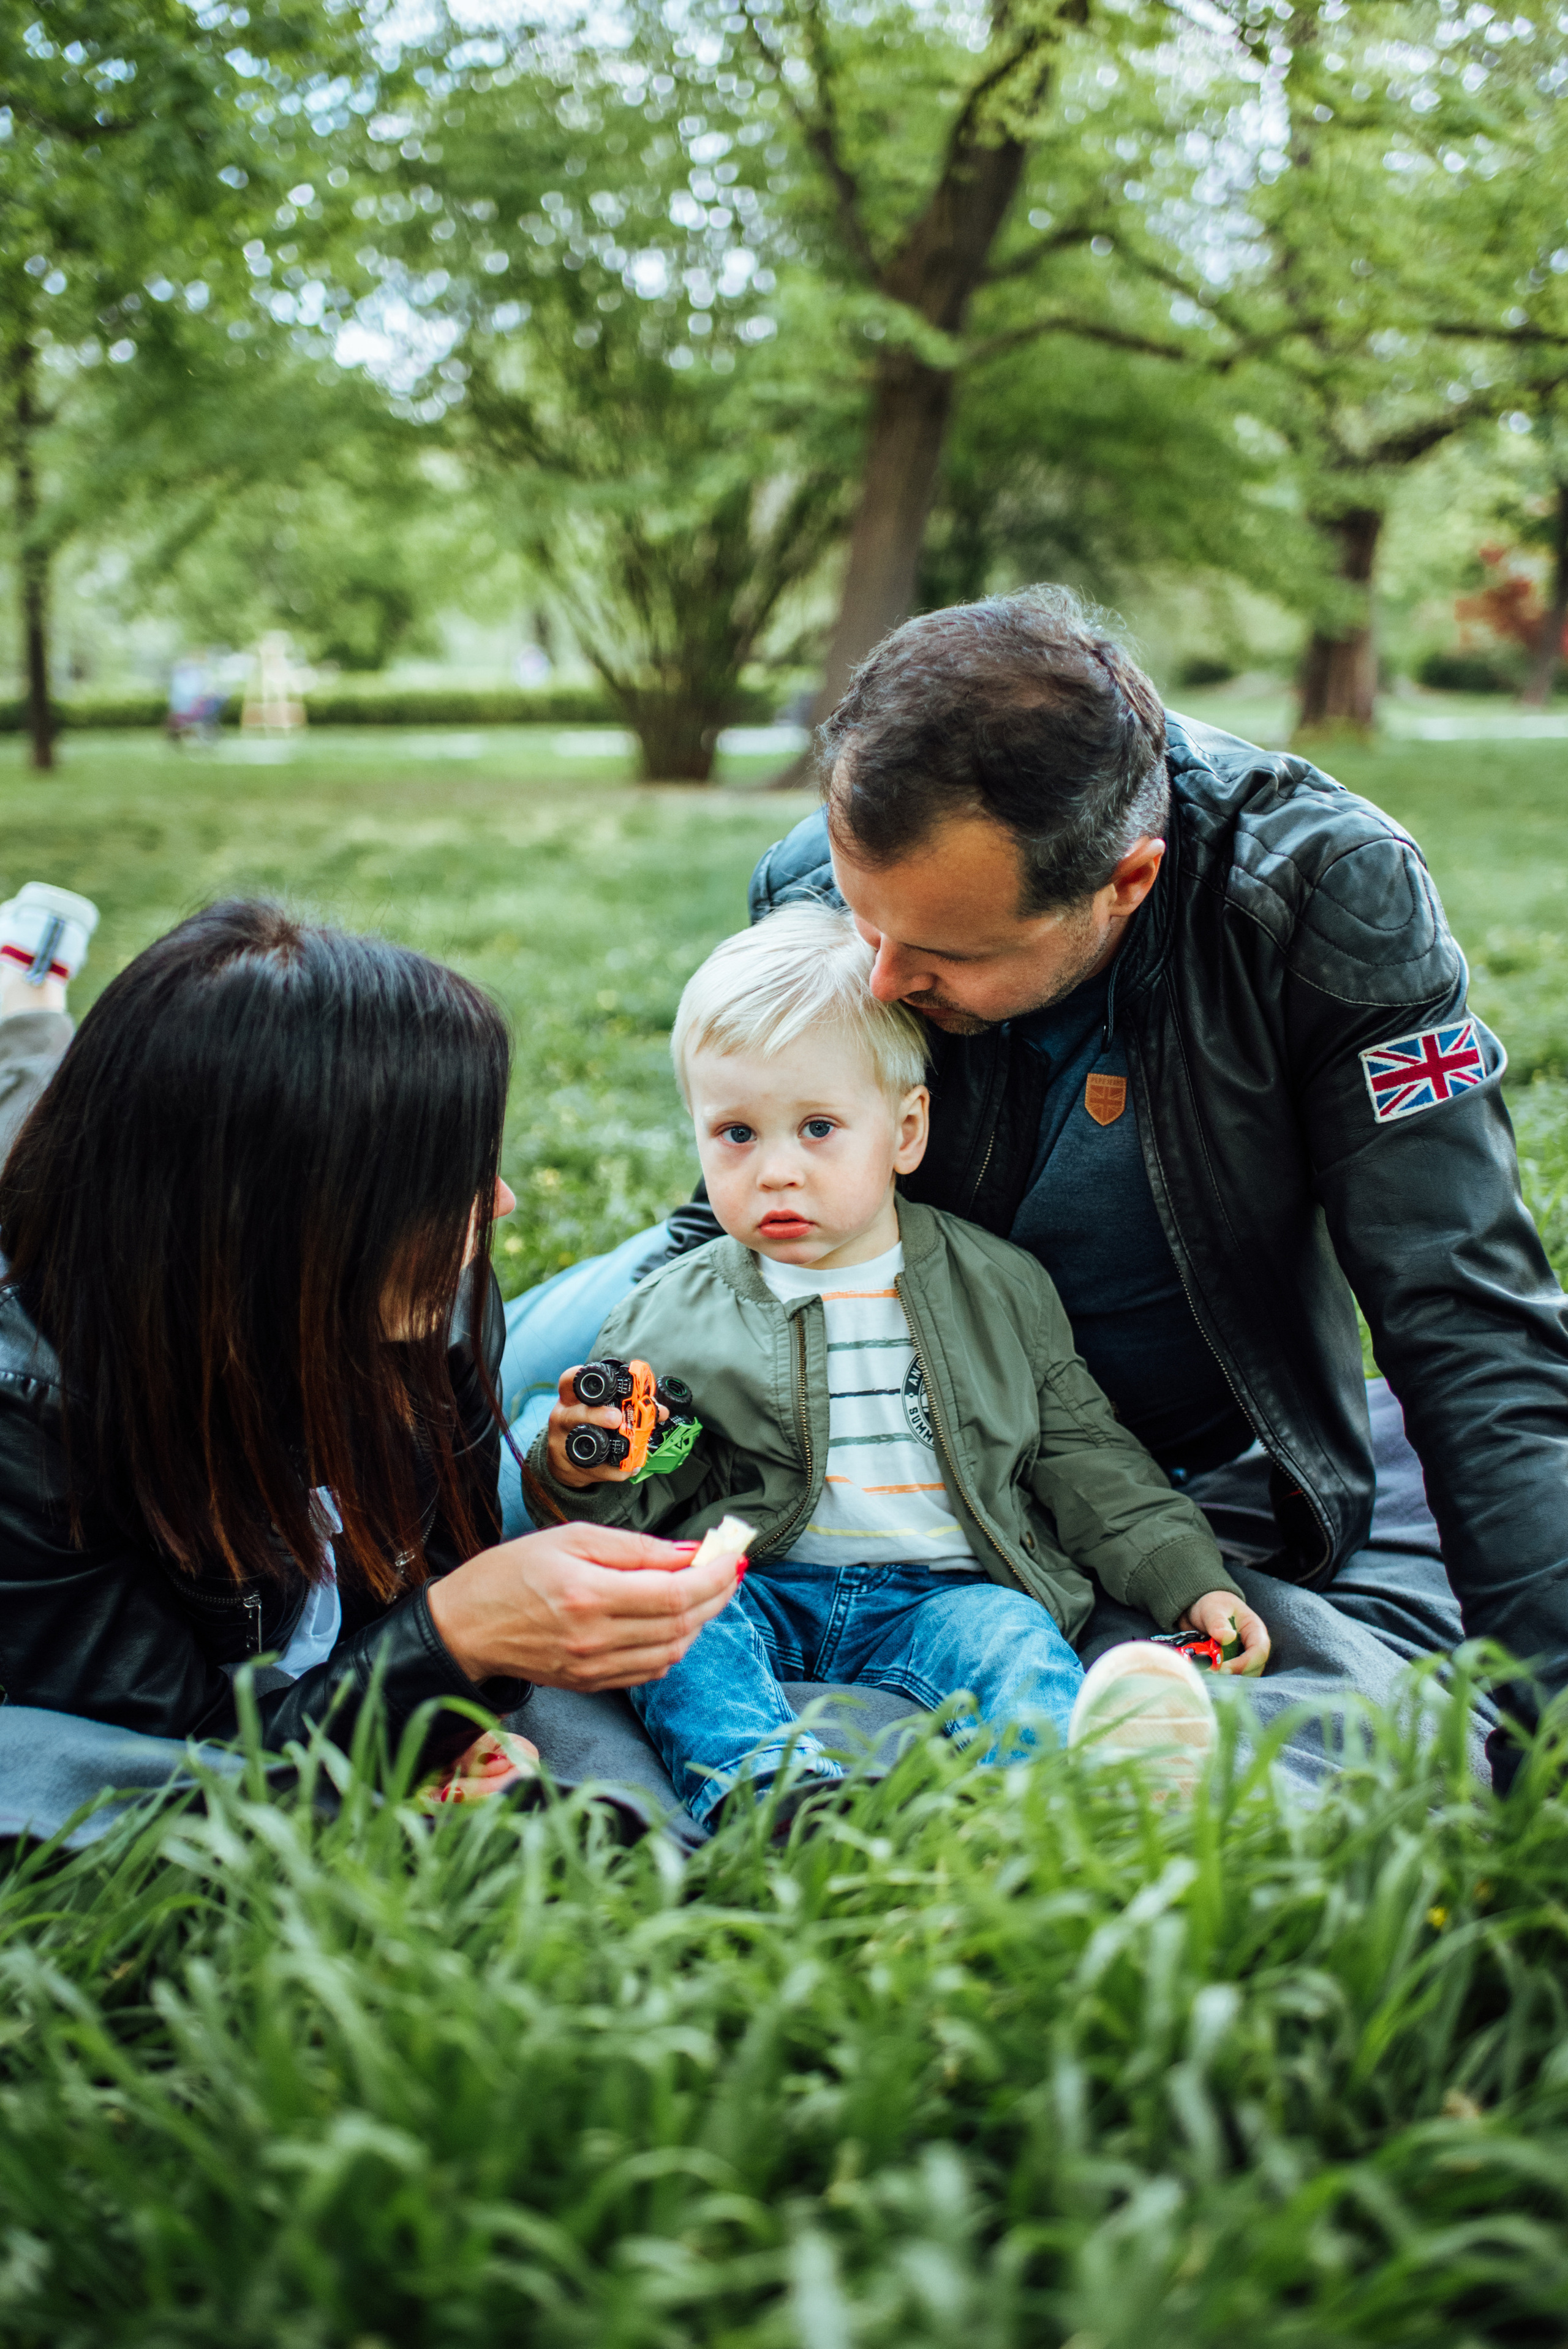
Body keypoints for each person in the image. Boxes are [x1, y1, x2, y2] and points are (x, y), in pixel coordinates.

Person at [529, 905, 1271, 1825]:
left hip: (944, 1592)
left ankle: (1062, 1796)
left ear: (907, 1130)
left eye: (818, 1128)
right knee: (677, 1630)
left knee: (1017, 1641)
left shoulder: (996, 1287)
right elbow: (655, 1488)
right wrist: (587, 1466)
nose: (776, 1171)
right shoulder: (671, 1312)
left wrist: (1189, 1577)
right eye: (736, 1134)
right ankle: (767, 1791)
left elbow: (1086, 1456)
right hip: (758, 1583)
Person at [0, 896, 741, 1772]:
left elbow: (426, 1577)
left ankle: (26, 1007)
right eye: (446, 1182)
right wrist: (459, 1634)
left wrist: (438, 1703)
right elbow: (173, 1749)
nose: (501, 1203)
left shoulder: (408, 1297)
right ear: (295, 1228)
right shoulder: (32, 1428)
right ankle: (26, 1007)